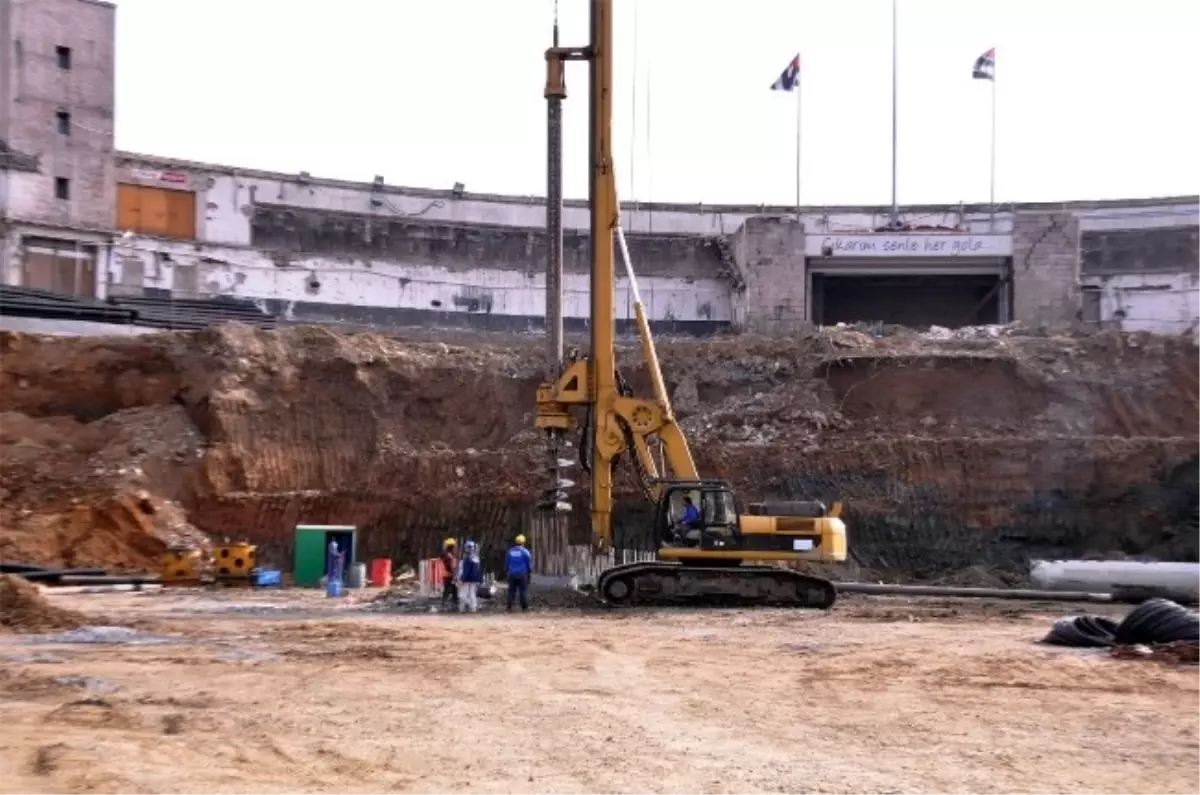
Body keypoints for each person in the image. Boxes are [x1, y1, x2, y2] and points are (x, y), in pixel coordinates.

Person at [504, 534, 533, 613]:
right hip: (522, 574)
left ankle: (509, 608)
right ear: (523, 542)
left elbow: (506, 563)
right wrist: (529, 572)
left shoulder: (510, 551)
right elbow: (529, 564)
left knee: (511, 591)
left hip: (512, 574)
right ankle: (524, 608)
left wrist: (507, 571)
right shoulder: (525, 552)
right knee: (523, 591)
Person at [456, 540, 483, 613]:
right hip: (474, 579)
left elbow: (466, 570)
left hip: (467, 579)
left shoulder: (468, 558)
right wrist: (480, 579)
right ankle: (473, 608)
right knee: (472, 594)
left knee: (461, 595)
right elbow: (479, 569)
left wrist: (462, 579)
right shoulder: (476, 557)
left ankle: (471, 605)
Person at [440, 538, 458, 607]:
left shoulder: (445, 554)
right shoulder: (450, 555)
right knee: (449, 588)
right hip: (450, 574)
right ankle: (446, 602)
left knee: (453, 588)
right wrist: (454, 574)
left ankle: (454, 601)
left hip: (446, 574)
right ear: (452, 546)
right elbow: (451, 565)